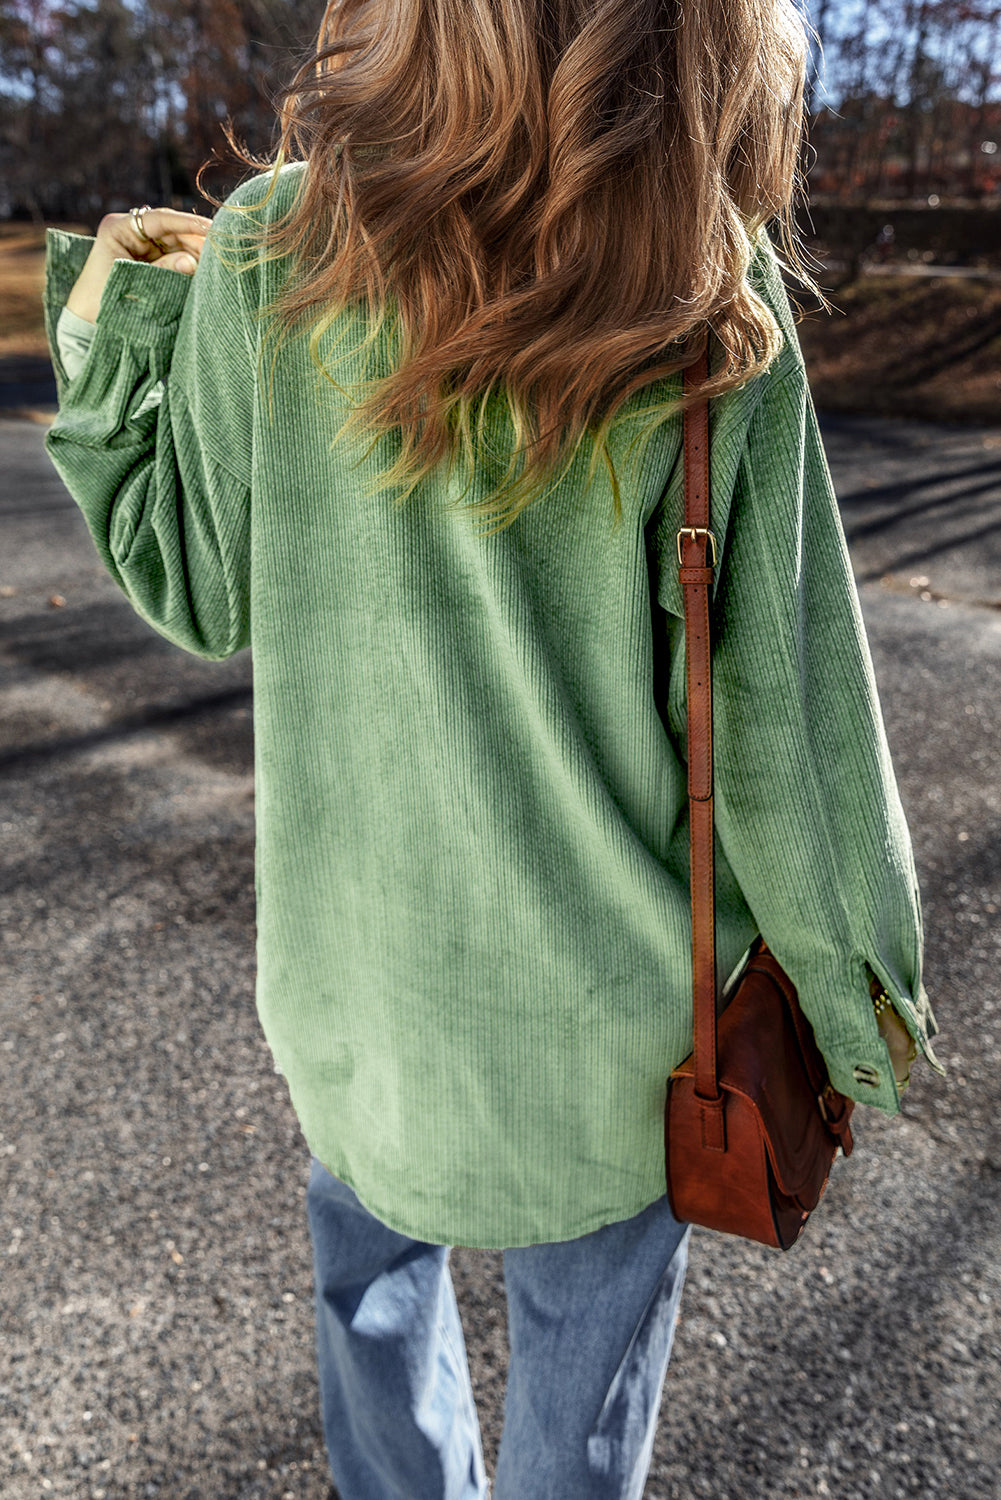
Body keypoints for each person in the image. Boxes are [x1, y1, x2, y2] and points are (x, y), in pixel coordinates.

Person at [43, 2, 946, 1496]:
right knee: (577, 1431)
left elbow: (190, 581)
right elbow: (793, 745)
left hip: (355, 1012)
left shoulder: (279, 247)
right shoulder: (708, 308)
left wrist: (133, 306)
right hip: (607, 1039)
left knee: (368, 1312)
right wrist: (860, 1019)